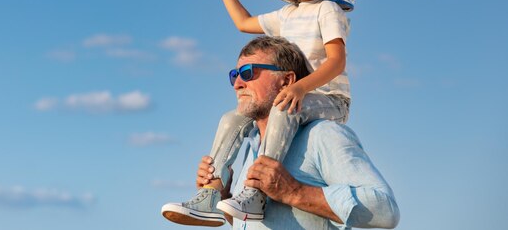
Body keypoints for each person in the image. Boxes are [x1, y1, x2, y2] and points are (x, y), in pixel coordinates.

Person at [162, 0, 359, 225]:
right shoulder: (287, 15)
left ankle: (256, 193)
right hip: (293, 94)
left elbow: (336, 61)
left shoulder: (326, 9)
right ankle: (211, 195)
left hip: (329, 99)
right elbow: (243, 23)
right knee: (232, 119)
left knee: (282, 106)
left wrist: (302, 88)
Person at [163, 36, 400, 229]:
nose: (237, 84)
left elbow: (386, 211)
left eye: (248, 73)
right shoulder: (250, 146)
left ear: (287, 81)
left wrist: (294, 192)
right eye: (234, 75)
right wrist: (225, 196)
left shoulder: (323, 135)